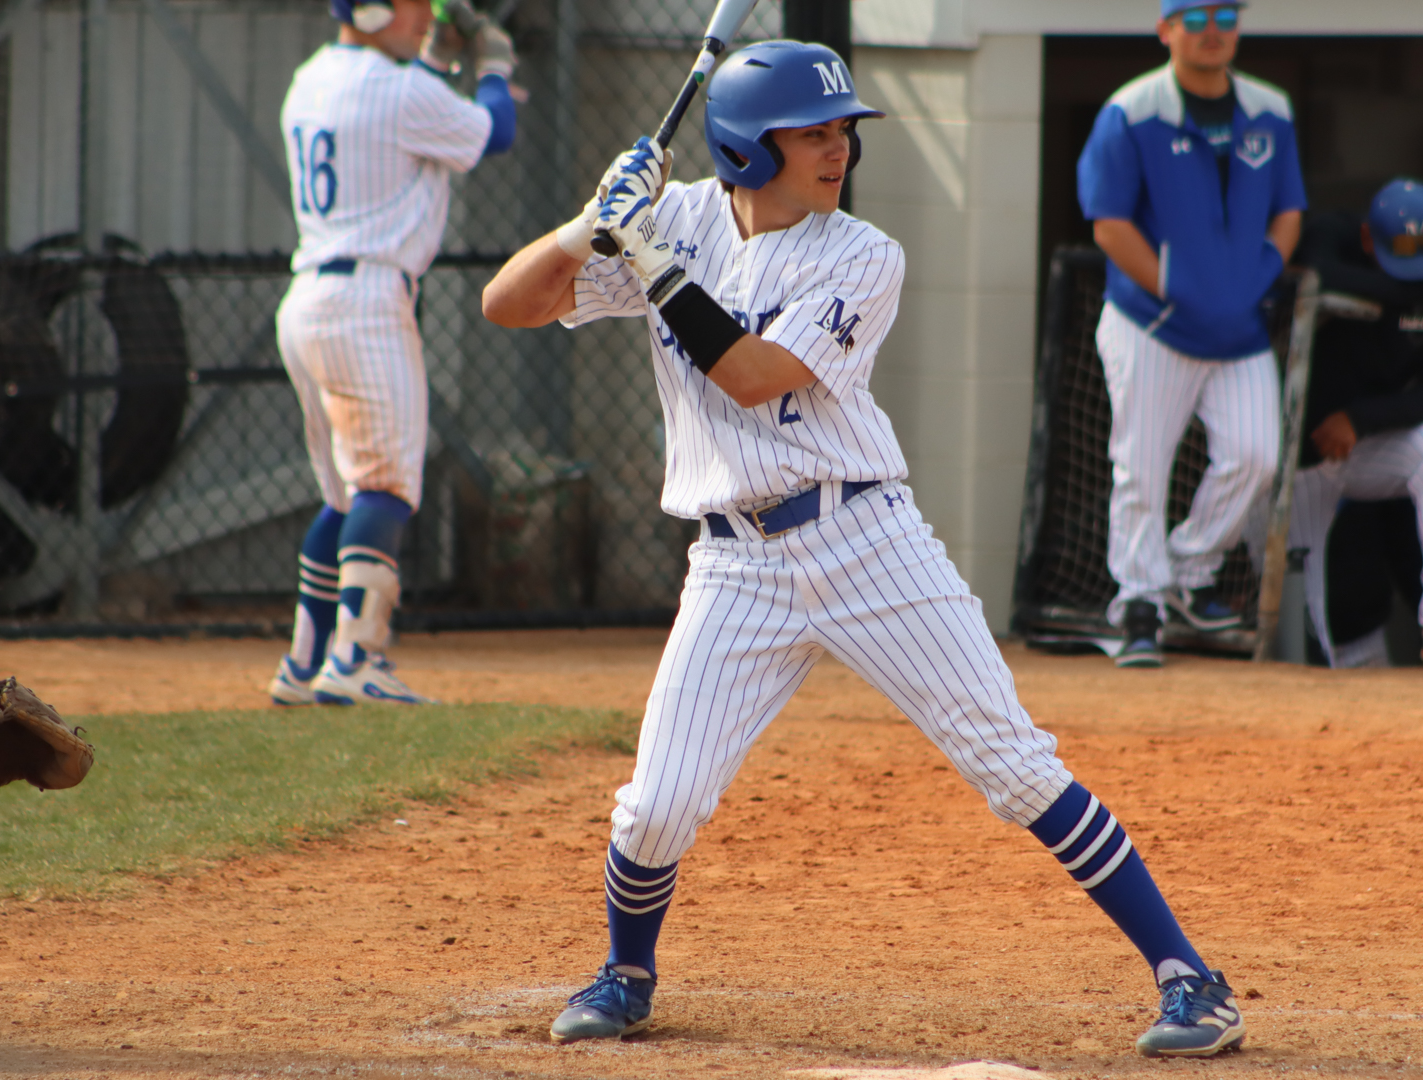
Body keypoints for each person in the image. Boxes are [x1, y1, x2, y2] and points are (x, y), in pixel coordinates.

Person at [480, 40, 1247, 1059]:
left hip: (865, 539)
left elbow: (754, 377)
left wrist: (647, 263)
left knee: (1013, 766)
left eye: (843, 130)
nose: (837, 149)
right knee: (656, 807)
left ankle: (1192, 980)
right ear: (750, 149)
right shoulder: (677, 220)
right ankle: (627, 972)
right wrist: (585, 229)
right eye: (811, 133)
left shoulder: (862, 254)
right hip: (734, 562)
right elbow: (509, 304)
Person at [266, 0, 520, 705]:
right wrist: (493, 64)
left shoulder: (312, 75)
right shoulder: (401, 88)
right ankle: (356, 663)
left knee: (344, 494)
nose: (423, 15)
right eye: (412, 5)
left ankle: (304, 662)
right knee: (385, 488)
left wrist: (441, 53)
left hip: (310, 300)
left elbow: (417, 107)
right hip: (367, 303)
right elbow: (494, 132)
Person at [1077, 0, 1305, 668]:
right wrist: (1176, 289)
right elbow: (1108, 223)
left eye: (1224, 16)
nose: (1212, 31)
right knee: (1141, 470)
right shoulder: (1132, 109)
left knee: (1257, 456)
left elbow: (1290, 207)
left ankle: (1184, 572)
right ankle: (1138, 607)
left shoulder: (1271, 107)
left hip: (1238, 327)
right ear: (1166, 29)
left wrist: (1261, 274)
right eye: (1195, 17)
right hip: (1153, 325)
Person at [1288, 180, 1423, 672]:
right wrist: (1416, 291)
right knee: (1302, 627)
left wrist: (1359, 420)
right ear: (1368, 240)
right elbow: (1313, 272)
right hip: (1292, 458)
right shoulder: (1336, 234)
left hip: (1364, 443)